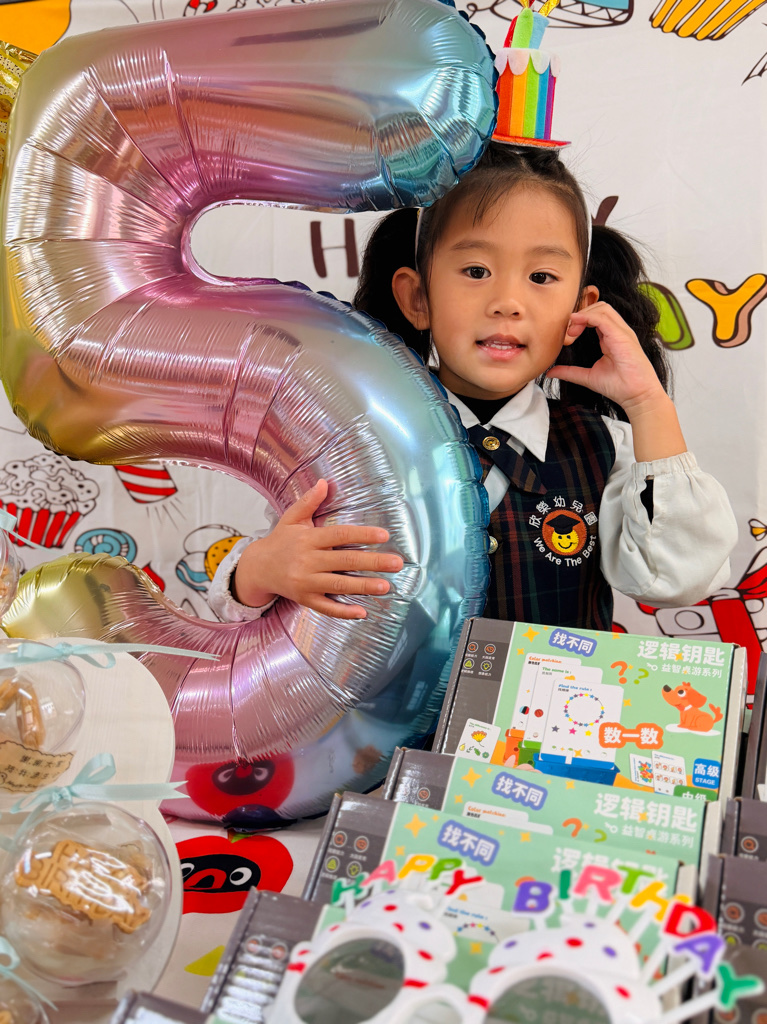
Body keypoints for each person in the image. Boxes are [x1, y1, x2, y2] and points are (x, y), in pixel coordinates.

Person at [209, 144, 737, 630]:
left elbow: (678, 579)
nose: (508, 302)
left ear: (580, 308)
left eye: (541, 277)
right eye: (477, 270)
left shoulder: (607, 448)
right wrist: (259, 570)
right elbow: (255, 597)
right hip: (400, 707)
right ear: (418, 298)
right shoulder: (355, 446)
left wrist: (647, 403)